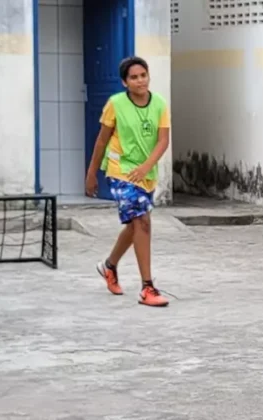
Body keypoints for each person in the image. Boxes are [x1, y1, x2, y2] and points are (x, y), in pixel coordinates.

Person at [85, 56, 171, 307]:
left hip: (146, 175)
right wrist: (91, 174)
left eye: (143, 75)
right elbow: (102, 140)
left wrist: (146, 168)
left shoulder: (160, 104)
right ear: (125, 82)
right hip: (120, 170)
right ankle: (147, 288)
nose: (140, 80)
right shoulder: (115, 104)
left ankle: (109, 266)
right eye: (133, 77)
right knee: (143, 222)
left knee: (135, 225)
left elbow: (163, 141)